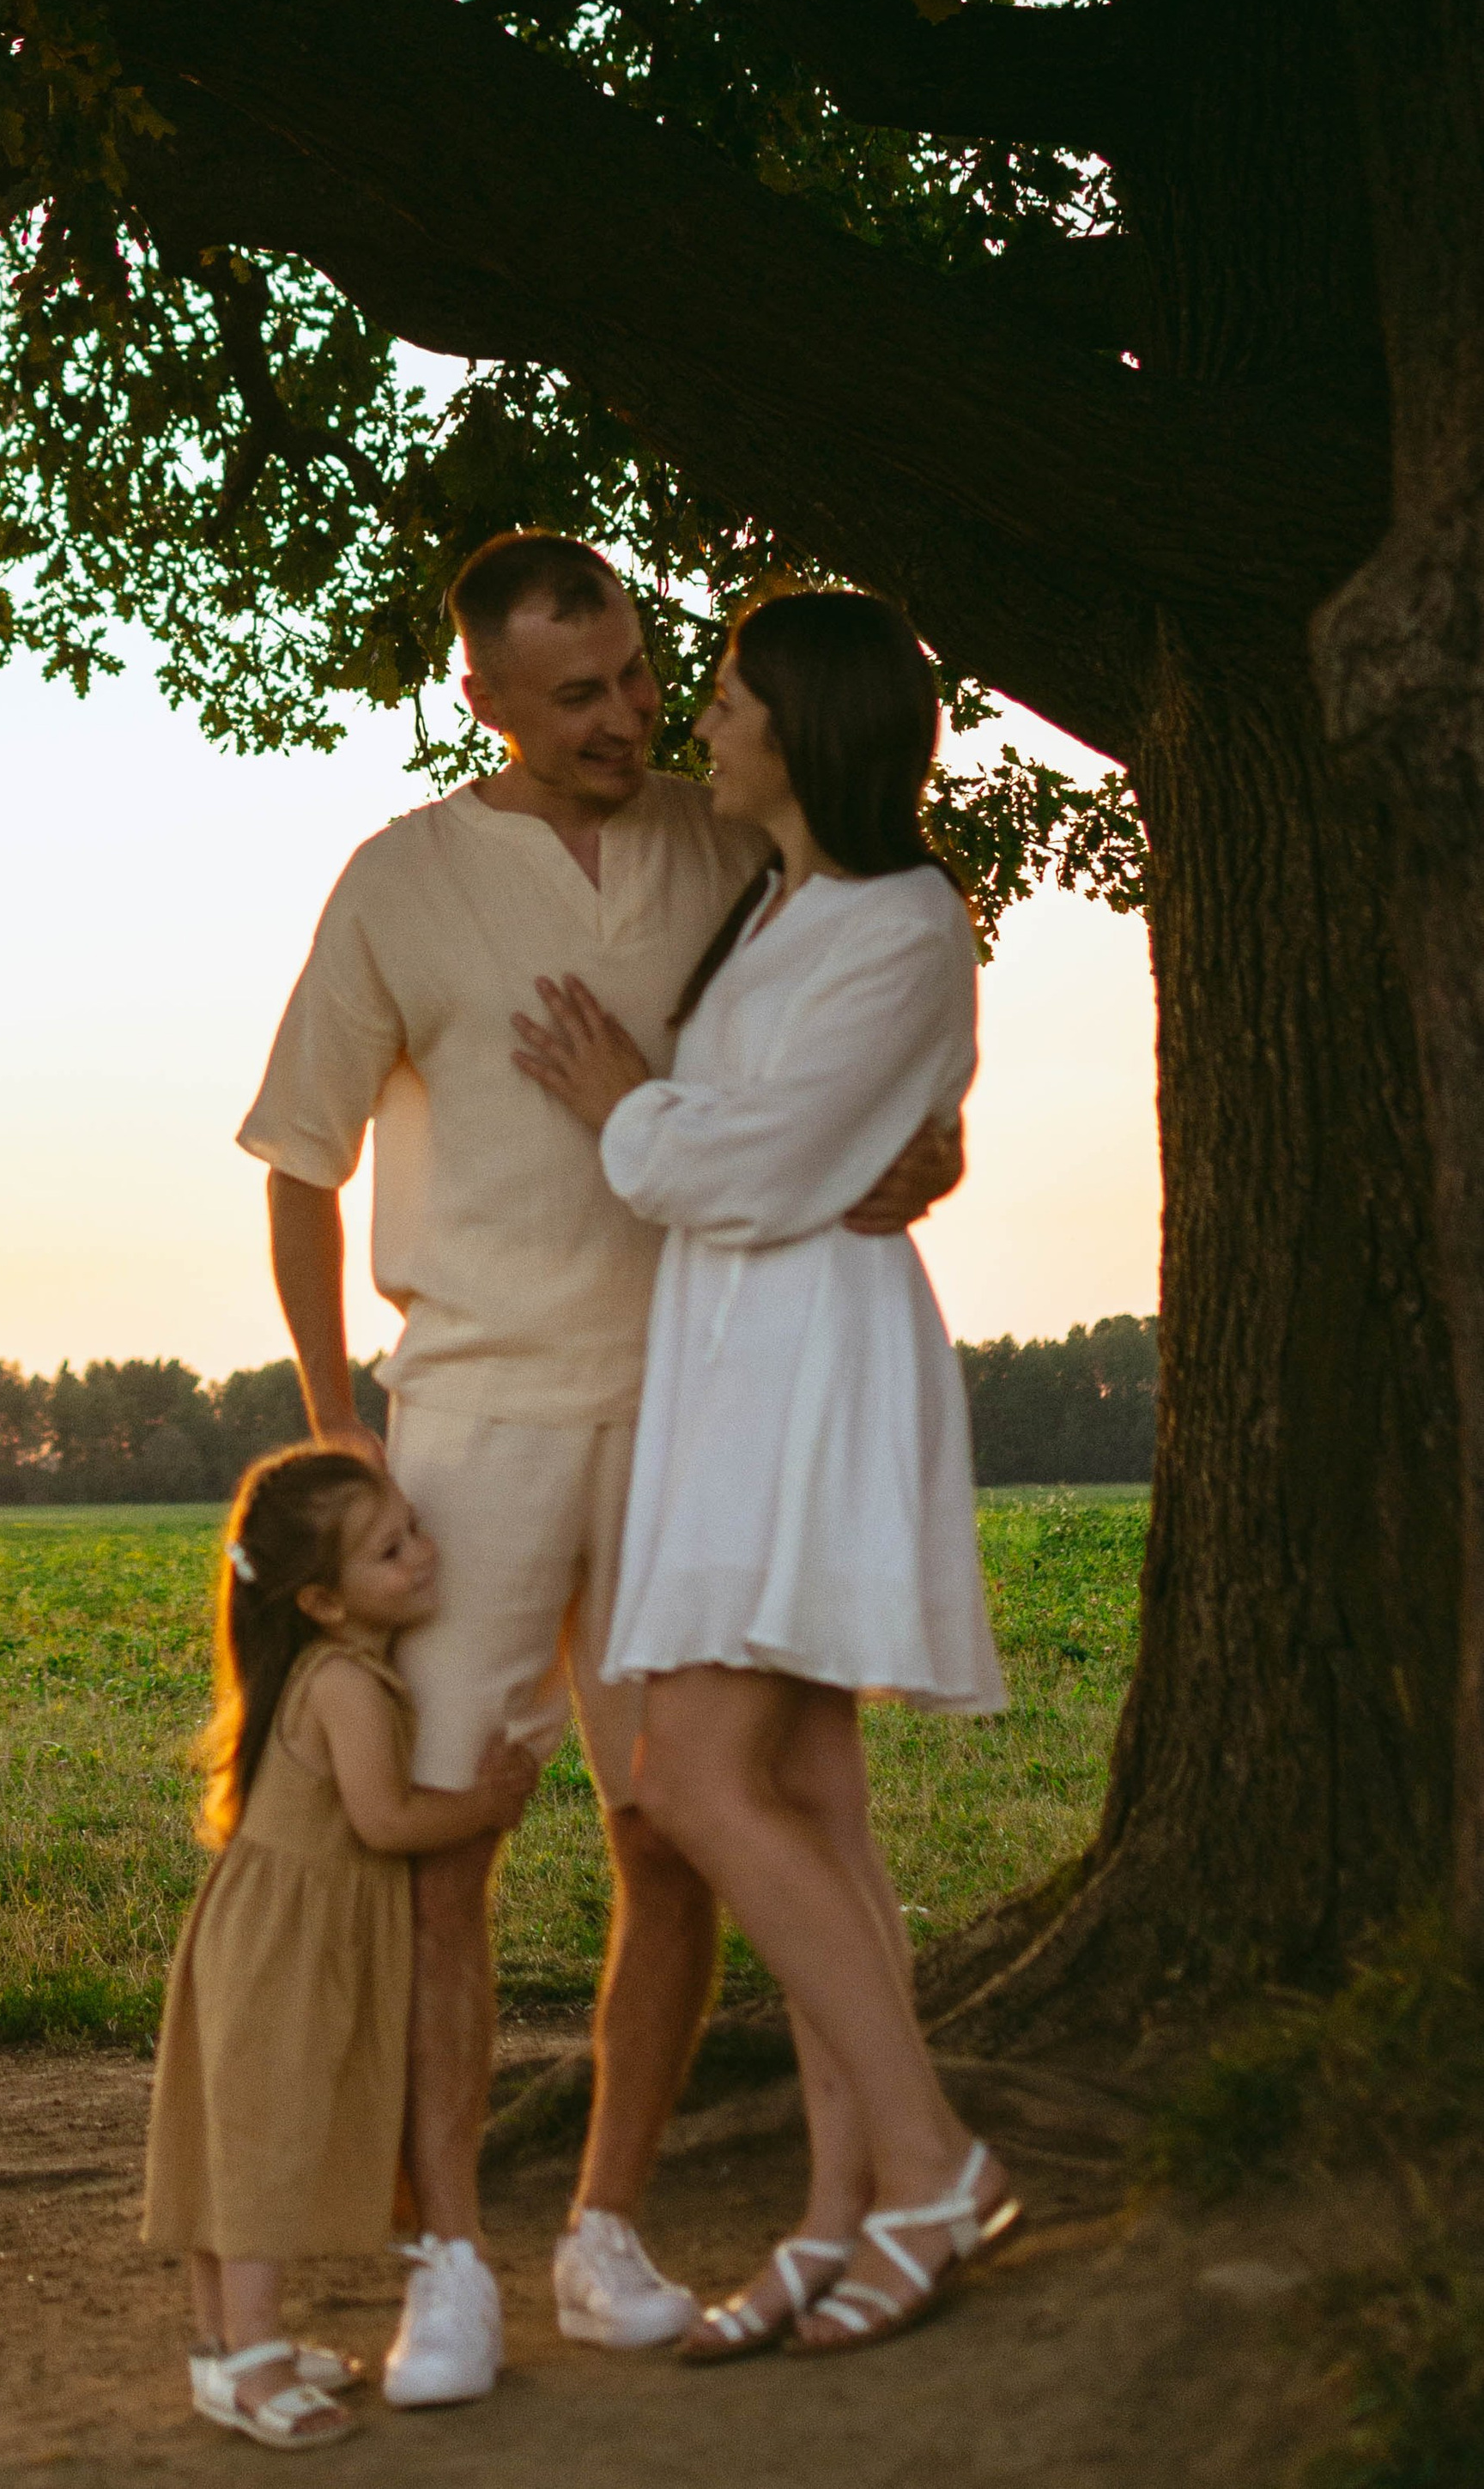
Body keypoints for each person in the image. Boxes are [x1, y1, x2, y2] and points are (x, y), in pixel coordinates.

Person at [237, 535, 963, 2406]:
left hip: (703, 1409)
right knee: (450, 1831)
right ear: (480, 696)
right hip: (472, 1415)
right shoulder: (399, 879)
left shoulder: (724, 838)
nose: (627, 719)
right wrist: (337, 1420)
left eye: (642, 678)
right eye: (577, 696)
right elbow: (300, 1162)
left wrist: (930, 1149)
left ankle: (609, 2228)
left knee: (675, 1820)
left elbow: (854, 1027)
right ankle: (446, 2268)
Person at [510, 587, 1015, 2362]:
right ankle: (838, 2205)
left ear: (803, 726)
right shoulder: (774, 896)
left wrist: (624, 1109)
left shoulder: (907, 918)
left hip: (809, 1369)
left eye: (724, 698)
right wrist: (754, 1137)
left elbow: (762, 1168)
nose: (701, 723)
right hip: (726, 1364)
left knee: (692, 1779)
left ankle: (934, 2162)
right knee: (805, 1788)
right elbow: (791, 1141)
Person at [142, 1445, 538, 2450]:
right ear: (321, 1600)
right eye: (390, 1549)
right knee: (261, 2147)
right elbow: (384, 1820)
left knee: (231, 2138)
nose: (423, 1553)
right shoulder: (346, 1685)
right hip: (288, 1944)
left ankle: (218, 2346)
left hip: (261, 1930)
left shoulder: (321, 1669)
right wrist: (485, 1804)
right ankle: (254, 2354)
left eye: (413, 1530)